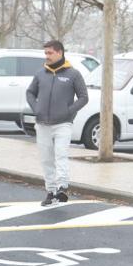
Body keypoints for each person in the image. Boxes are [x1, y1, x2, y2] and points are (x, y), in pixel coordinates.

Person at [26, 38, 89, 207]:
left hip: (63, 124)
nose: (46, 56)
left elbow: (84, 97)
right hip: (42, 124)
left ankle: (62, 187)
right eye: (45, 53)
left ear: (60, 52)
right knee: (47, 159)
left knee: (60, 154)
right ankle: (51, 191)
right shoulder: (41, 73)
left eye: (50, 53)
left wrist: (68, 111)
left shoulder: (73, 74)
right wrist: (36, 108)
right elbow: (30, 93)